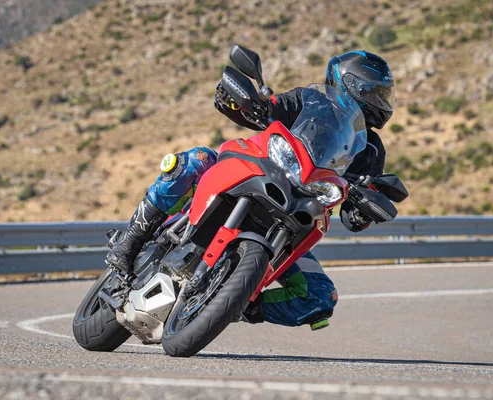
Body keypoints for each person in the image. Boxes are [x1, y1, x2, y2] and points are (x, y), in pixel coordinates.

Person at [107, 50, 396, 330]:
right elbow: (266, 109)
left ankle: (234, 302)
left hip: (298, 217)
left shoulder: (371, 150)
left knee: (321, 296)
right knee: (196, 161)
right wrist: (239, 102)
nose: (380, 101)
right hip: (262, 174)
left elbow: (356, 205)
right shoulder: (309, 100)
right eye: (375, 93)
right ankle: (129, 243)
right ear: (349, 84)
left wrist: (362, 211)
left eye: (383, 95)